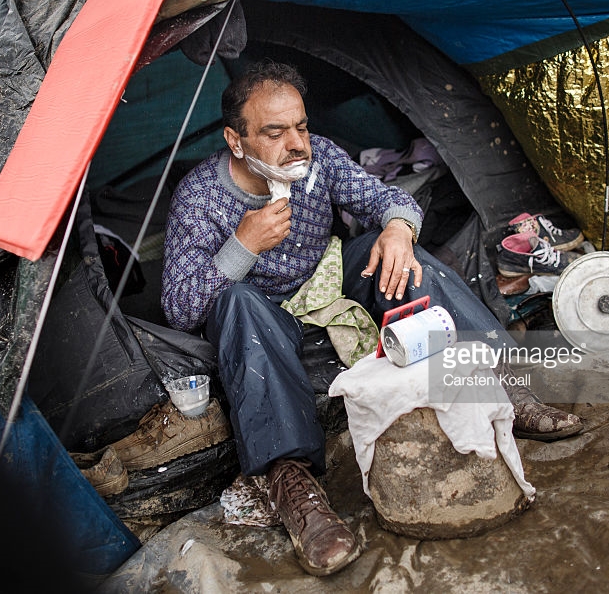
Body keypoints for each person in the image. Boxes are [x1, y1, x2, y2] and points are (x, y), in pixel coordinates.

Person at [162, 61, 582, 576]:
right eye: (275, 133)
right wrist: (242, 247)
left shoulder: (319, 163)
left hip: (329, 284)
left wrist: (399, 228)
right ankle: (292, 483)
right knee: (236, 302)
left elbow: (389, 197)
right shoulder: (200, 197)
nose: (296, 144)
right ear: (236, 140)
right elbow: (180, 308)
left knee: (389, 250)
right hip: (264, 323)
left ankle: (493, 383)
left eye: (301, 126)